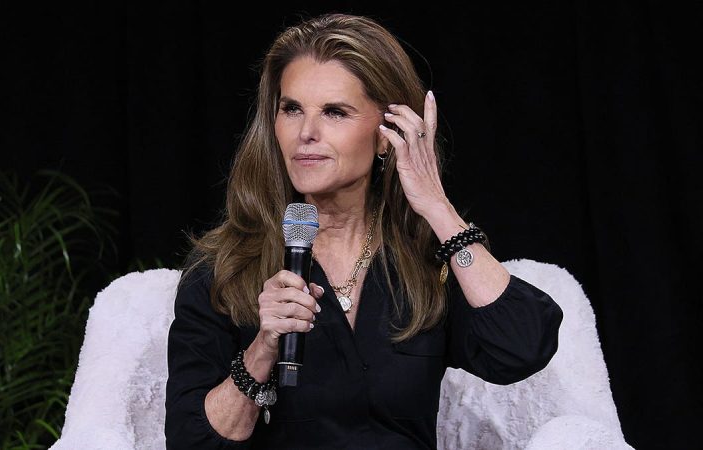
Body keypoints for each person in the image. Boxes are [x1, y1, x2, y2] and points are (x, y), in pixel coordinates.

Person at [165, 13, 563, 449]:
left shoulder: (426, 258)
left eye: (334, 112)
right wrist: (262, 349)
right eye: (292, 109)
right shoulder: (225, 266)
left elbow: (522, 347)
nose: (306, 133)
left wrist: (437, 207)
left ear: (386, 135)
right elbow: (191, 441)